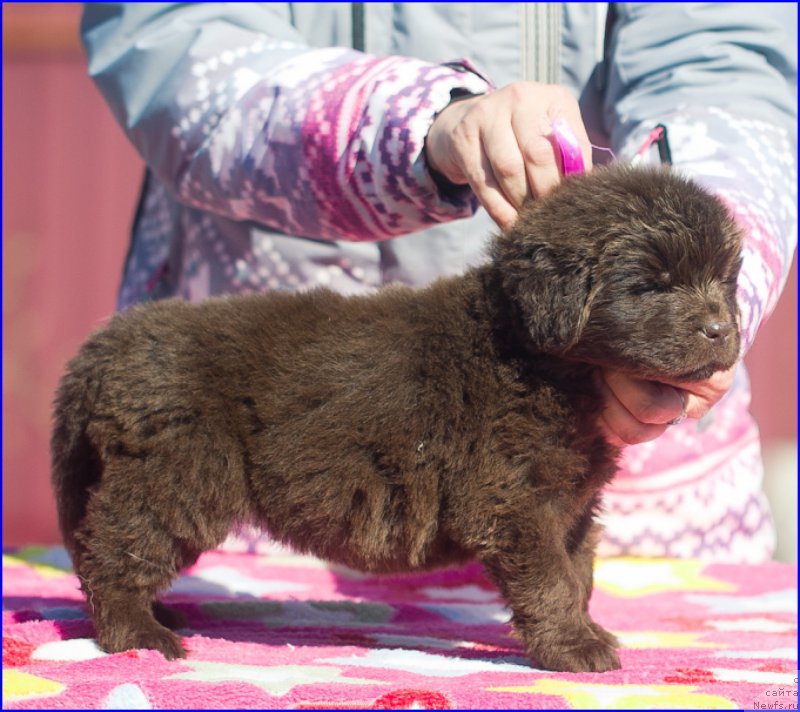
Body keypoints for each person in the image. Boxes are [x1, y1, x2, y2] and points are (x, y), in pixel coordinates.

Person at [80, 3, 797, 563]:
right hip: (286, 448)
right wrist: (418, 122)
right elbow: (175, 42)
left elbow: (731, 65)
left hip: (637, 501)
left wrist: (702, 277)